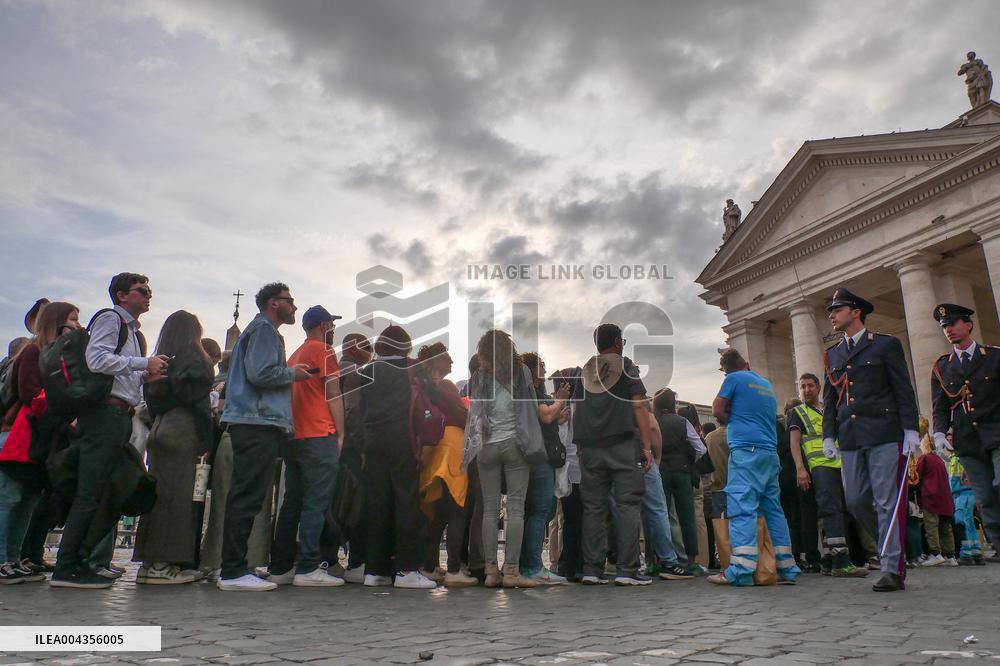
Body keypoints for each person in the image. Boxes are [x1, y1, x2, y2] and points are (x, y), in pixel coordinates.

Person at [51, 273, 169, 589]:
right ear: (121, 295)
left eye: (149, 290)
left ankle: (83, 560)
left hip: (119, 415)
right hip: (104, 415)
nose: (148, 295)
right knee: (91, 490)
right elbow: (97, 359)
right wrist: (143, 363)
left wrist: (145, 376)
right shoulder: (110, 318)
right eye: (142, 290)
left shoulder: (134, 334)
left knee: (114, 486)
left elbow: (121, 374)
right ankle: (67, 566)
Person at [217, 282, 312, 592]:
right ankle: (232, 571)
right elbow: (260, 373)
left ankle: (235, 567)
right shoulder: (265, 331)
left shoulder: (261, 331)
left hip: (254, 421)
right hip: (256, 421)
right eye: (290, 300)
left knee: (247, 495)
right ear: (274, 303)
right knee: (247, 496)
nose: (294, 306)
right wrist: (293, 373)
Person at [823, 288, 919, 592]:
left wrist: (911, 429)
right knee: (855, 499)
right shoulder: (832, 354)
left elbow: (902, 388)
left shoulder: (885, 345)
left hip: (883, 432)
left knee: (886, 501)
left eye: (837, 309)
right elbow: (830, 399)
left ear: (856, 312)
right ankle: (891, 546)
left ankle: (891, 567)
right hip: (850, 437)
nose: (832, 315)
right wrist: (828, 435)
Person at [264, 305, 346, 588]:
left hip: (295, 436)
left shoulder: (295, 355)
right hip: (319, 432)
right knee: (316, 502)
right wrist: (341, 434)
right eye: (331, 324)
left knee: (292, 503)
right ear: (324, 326)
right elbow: (333, 394)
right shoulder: (324, 351)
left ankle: (281, 566)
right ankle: (309, 566)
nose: (333, 329)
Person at [0, 303, 80, 584]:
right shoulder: (34, 352)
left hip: (39, 436)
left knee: (27, 501)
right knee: (10, 499)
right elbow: (29, 392)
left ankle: (13, 558)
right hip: (18, 434)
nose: (77, 325)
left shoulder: (55, 356)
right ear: (57, 322)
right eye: (73, 319)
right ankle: (2, 559)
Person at [462, 330, 549, 589]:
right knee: (516, 509)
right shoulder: (522, 372)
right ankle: (511, 572)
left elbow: (474, 411)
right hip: (515, 444)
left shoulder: (479, 376)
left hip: (486, 446)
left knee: (489, 510)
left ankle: (491, 572)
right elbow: (530, 405)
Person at [133, 311, 215, 584]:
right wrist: (206, 440)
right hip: (183, 428)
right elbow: (198, 402)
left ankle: (148, 563)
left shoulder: (161, 361)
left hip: (160, 427)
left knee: (158, 496)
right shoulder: (194, 358)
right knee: (176, 497)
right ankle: (162, 565)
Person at [708, 349, 799, 586]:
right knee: (773, 509)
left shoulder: (733, 379)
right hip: (769, 453)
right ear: (746, 364)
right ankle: (786, 567)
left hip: (746, 451)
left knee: (742, 507)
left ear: (726, 371)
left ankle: (741, 569)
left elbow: (717, 409)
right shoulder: (765, 384)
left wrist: (732, 420)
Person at [572, 323, 654, 586]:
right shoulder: (625, 366)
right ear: (618, 342)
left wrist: (580, 445)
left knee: (593, 508)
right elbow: (639, 405)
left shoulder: (585, 370)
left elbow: (576, 409)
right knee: (628, 505)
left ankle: (591, 569)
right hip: (622, 444)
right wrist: (647, 446)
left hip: (590, 448)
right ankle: (627, 570)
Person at [359, 325, 435, 589]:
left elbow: (359, 408)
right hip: (403, 439)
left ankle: (375, 570)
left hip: (372, 440)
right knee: (406, 501)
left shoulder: (366, 371)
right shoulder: (411, 368)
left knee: (377, 502)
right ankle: (406, 568)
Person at [930, 303, 1000, 565]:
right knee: (985, 499)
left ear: (968, 325)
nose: (948, 329)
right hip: (968, 441)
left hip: (997, 433)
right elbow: (940, 406)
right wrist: (939, 434)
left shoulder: (993, 356)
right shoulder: (942, 367)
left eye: (953, 324)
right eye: (944, 326)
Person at [786, 373, 867, 578]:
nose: (806, 390)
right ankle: (841, 561)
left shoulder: (829, 409)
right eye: (803, 386)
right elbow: (794, 443)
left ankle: (830, 560)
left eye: (810, 386)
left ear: (818, 387)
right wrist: (800, 469)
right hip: (818, 465)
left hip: (839, 463)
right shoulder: (797, 412)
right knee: (831, 510)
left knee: (842, 510)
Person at [415, 343, 477, 587]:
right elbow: (461, 415)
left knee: (440, 512)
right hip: (453, 447)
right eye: (447, 358)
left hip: (434, 449)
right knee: (458, 508)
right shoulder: (447, 385)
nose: (451, 363)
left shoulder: (423, 385)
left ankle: (429, 565)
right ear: (437, 361)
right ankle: (454, 569)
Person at [518, 352, 570, 585]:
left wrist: (558, 413)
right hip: (540, 458)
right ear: (531, 369)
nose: (545, 369)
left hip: (534, 455)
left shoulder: (527, 391)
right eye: (541, 365)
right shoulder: (533, 392)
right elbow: (546, 416)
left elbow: (545, 419)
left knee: (539, 511)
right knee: (540, 511)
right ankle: (532, 566)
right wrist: (560, 400)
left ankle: (525, 563)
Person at [331, 333, 372, 583]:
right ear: (357, 349)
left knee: (333, 501)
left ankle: (326, 558)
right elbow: (352, 409)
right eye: (368, 349)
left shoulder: (332, 369)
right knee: (355, 502)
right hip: (348, 446)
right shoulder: (354, 373)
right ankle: (357, 562)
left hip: (328, 442)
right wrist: (361, 446)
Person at [653, 388, 705, 577]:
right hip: (682, 471)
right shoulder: (682, 422)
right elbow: (700, 448)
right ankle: (690, 561)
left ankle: (661, 560)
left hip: (661, 471)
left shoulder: (654, 421)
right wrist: (688, 461)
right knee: (687, 517)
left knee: (661, 516)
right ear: (673, 404)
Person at [915, 425, 956, 567]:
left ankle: (935, 553)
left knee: (931, 526)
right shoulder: (939, 460)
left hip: (931, 498)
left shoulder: (924, 459)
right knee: (946, 528)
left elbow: (916, 477)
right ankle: (950, 555)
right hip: (945, 499)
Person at [945, 432, 983, 565]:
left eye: (951, 440)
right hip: (964, 493)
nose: (948, 442)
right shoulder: (955, 457)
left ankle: (966, 553)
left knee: (962, 522)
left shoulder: (959, 457)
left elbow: (960, 478)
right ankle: (976, 552)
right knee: (969, 522)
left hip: (963, 493)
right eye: (947, 440)